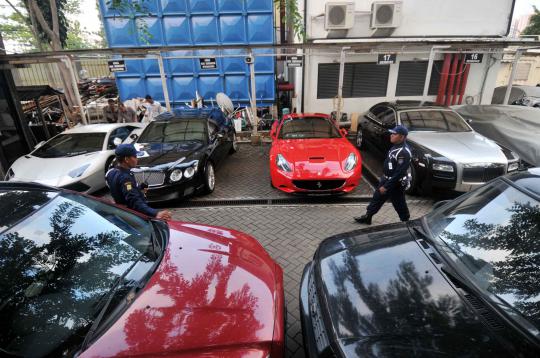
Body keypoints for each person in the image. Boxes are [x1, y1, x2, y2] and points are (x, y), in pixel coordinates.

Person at [355, 125, 411, 225]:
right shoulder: (395, 146)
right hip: (386, 179)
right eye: (392, 133)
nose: (391, 135)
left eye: (394, 134)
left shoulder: (404, 152)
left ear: (402, 137)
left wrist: (386, 186)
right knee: (377, 198)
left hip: (395, 183)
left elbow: (399, 173)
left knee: (399, 203)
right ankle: (368, 217)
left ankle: (406, 223)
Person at [106, 144, 172, 220]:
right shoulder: (125, 178)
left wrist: (138, 187)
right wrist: (155, 213)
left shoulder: (111, 172)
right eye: (135, 156)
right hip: (132, 217)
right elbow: (134, 202)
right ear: (126, 159)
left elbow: (120, 189)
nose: (137, 159)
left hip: (121, 212)